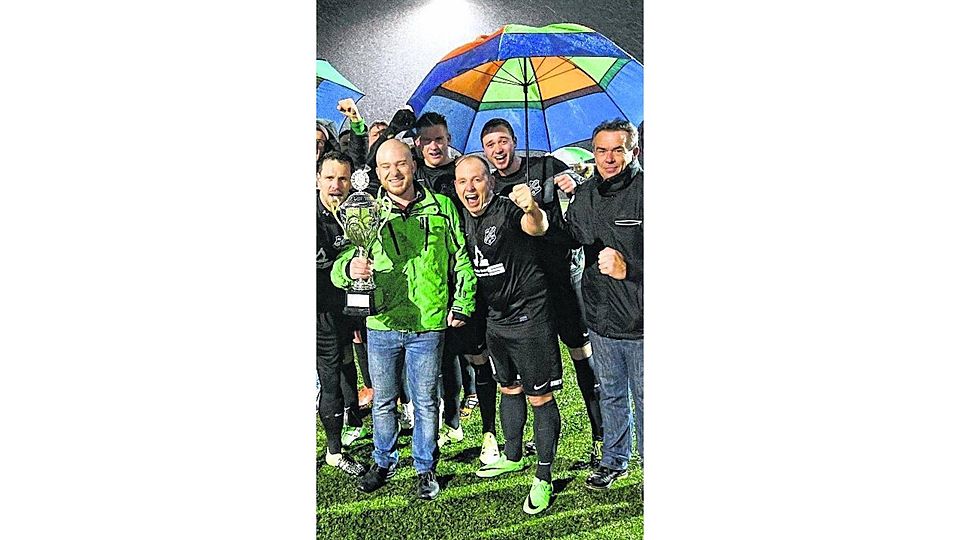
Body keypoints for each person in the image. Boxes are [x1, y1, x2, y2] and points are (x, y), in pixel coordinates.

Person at [331, 139, 477, 501]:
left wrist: (463, 302)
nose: (394, 173)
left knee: (426, 400)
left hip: (428, 323)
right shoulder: (366, 210)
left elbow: (461, 259)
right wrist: (350, 267)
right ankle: (383, 460)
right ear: (376, 173)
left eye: (400, 164)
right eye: (385, 167)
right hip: (382, 323)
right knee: (383, 400)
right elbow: (340, 268)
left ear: (412, 164)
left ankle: (425, 467)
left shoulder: (442, 207)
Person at [480, 118, 606, 468]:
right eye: (490, 145)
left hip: (562, 278)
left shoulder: (546, 165)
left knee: (582, 356)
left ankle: (600, 436)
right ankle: (522, 446)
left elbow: (590, 184)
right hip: (526, 296)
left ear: (514, 141)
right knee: (531, 377)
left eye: (502, 141)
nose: (498, 150)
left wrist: (577, 181)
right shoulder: (490, 186)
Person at [454, 155, 563, 515]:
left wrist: (532, 207)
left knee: (540, 398)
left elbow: (538, 227)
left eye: (476, 180)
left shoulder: (507, 208)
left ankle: (544, 477)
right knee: (508, 387)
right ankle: (513, 455)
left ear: (490, 181)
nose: (469, 188)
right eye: (462, 181)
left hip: (529, 317)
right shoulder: (463, 218)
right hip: (496, 320)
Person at [409, 112, 499, 460]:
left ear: (448, 139)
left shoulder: (463, 172)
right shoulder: (413, 176)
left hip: (469, 278)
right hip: (434, 286)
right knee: (445, 360)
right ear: (417, 144)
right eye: (427, 139)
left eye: (440, 138)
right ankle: (453, 422)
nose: (434, 145)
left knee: (479, 359)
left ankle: (490, 433)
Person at [561, 119, 643, 491]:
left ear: (634, 152)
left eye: (617, 150)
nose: (609, 158)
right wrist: (545, 206)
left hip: (643, 322)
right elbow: (571, 237)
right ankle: (615, 460)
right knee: (610, 391)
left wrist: (632, 270)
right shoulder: (587, 192)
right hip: (601, 317)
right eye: (601, 150)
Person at [316, 150, 368, 478]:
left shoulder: (353, 211)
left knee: (349, 359)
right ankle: (335, 451)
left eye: (343, 179)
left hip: (347, 303)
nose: (336, 185)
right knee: (331, 375)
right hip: (319, 309)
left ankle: (354, 418)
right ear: (317, 179)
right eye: (330, 178)